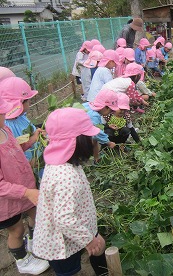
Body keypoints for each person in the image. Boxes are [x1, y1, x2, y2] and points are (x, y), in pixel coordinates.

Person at [33, 107, 108, 275]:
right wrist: (89, 240)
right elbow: (64, 219)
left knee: (99, 249)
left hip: (79, 226)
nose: (92, 140)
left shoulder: (63, 162)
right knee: (70, 271)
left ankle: (104, 272)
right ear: (76, 142)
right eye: (89, 137)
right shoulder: (65, 177)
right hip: (60, 242)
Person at [0, 96, 50, 275]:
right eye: (1, 112)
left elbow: (16, 150)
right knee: (16, 230)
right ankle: (22, 260)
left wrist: (33, 140)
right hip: (6, 201)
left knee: (37, 213)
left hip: (24, 186)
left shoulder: (5, 129)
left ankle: (36, 241)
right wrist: (26, 192)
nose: (5, 114)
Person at [0, 77, 42, 163]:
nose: (29, 103)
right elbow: (15, 153)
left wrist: (37, 134)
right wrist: (30, 164)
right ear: (21, 103)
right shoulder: (6, 128)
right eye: (28, 101)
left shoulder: (21, 116)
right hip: (29, 166)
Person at [83, 89, 118, 162]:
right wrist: (109, 143)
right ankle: (84, 159)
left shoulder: (89, 106)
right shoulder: (94, 115)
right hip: (73, 135)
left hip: (79, 131)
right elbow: (97, 133)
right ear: (106, 107)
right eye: (111, 110)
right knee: (92, 139)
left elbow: (96, 127)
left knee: (94, 139)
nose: (110, 113)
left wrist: (107, 126)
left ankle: (96, 158)